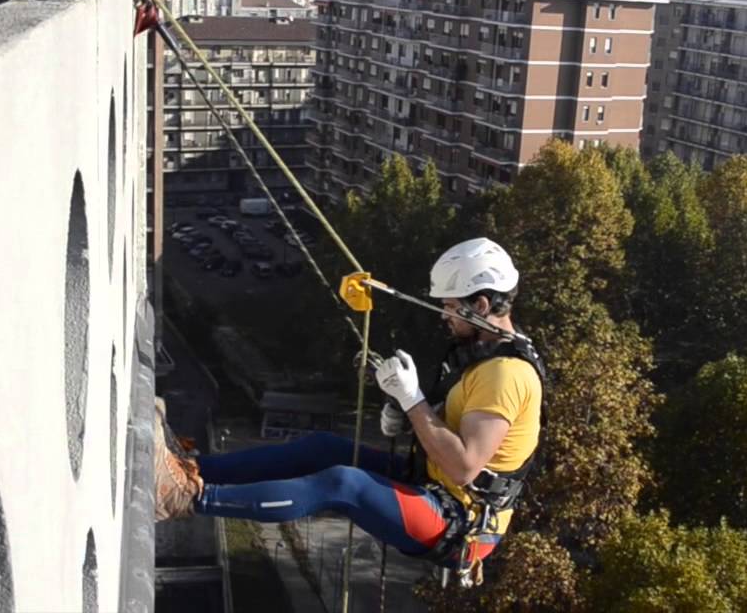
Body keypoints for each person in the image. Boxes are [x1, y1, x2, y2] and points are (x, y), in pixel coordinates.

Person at [156, 238, 544, 576]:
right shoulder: (481, 355)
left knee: (344, 484)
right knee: (323, 449)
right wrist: (409, 415)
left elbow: (464, 466)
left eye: (449, 306)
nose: (444, 316)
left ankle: (189, 499)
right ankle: (191, 471)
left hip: (460, 523)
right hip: (435, 484)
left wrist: (413, 401)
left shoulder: (505, 375)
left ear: (479, 303)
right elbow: (456, 429)